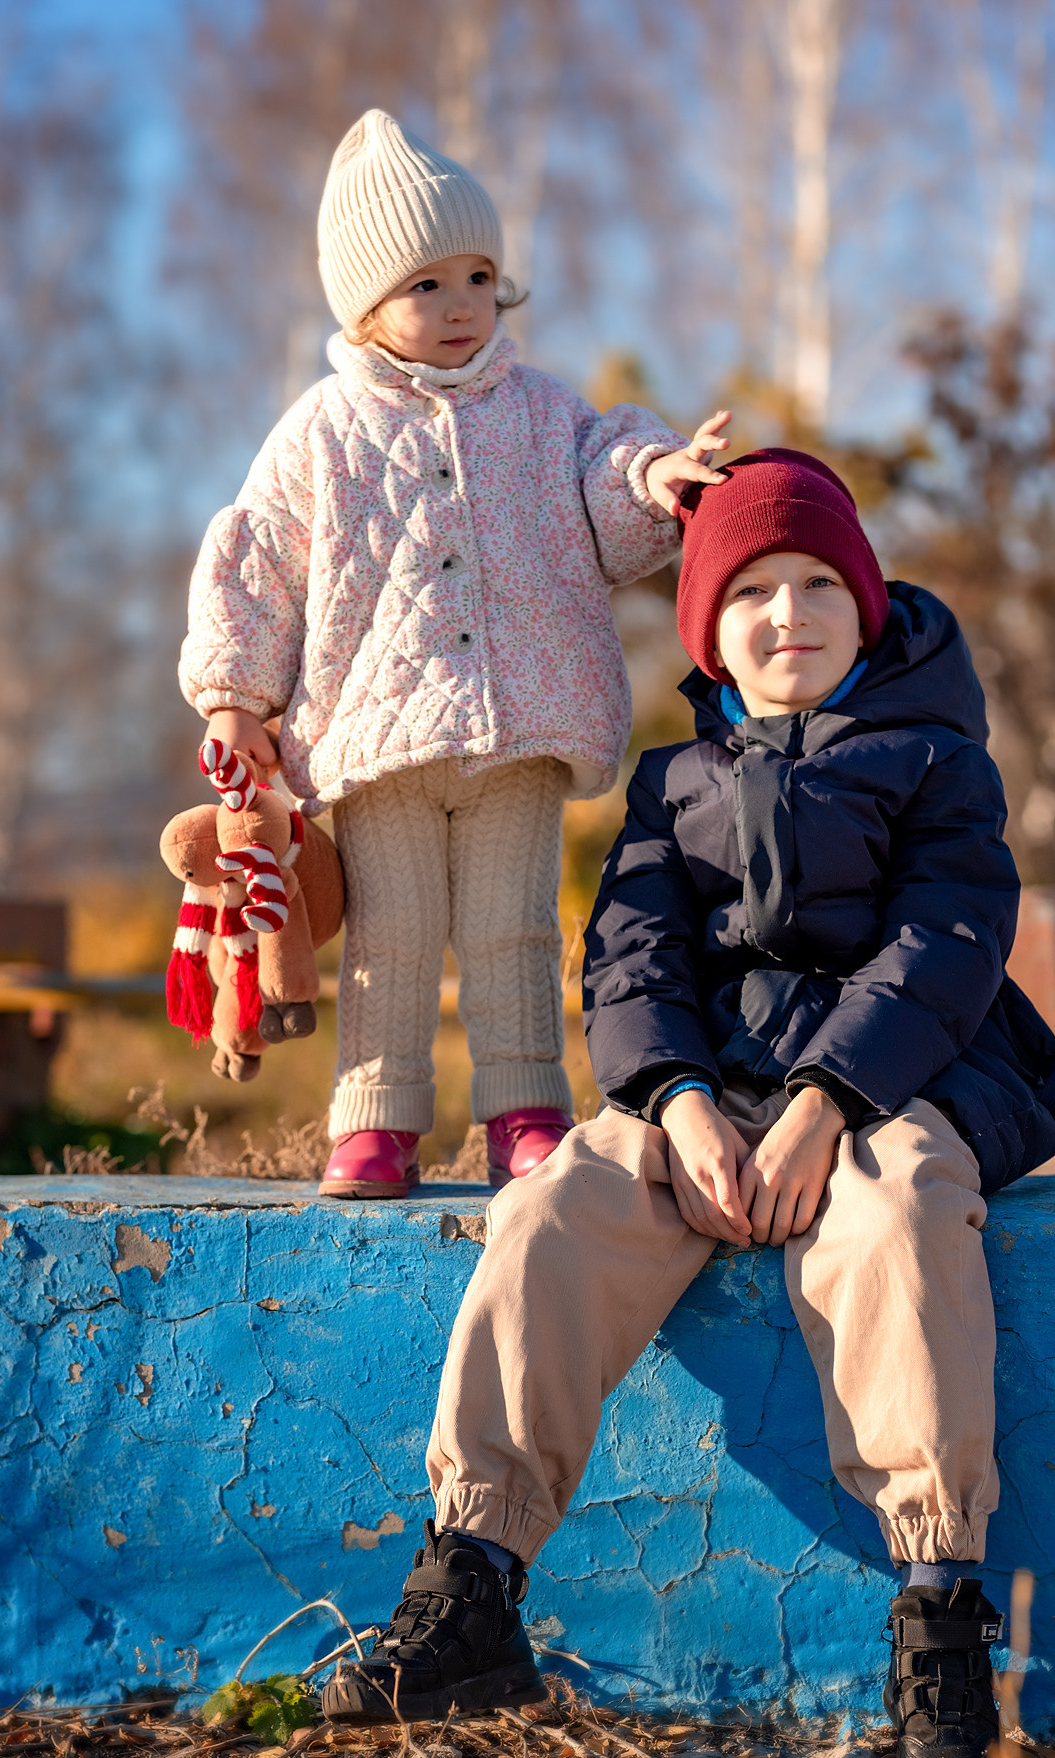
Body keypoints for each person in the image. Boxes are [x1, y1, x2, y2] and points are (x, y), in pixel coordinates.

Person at [319, 449, 1055, 1758]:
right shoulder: (675, 783)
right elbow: (631, 958)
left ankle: (943, 1609)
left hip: (897, 1082)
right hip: (708, 1086)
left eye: (817, 585)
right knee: (549, 1210)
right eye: (753, 593)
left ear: (867, 603)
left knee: (899, 1219)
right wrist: (670, 1100)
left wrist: (828, 1108)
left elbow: (947, 946)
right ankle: (477, 1580)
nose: (788, 613)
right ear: (709, 631)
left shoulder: (938, 761)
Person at [179, 109, 728, 1198]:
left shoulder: (539, 413)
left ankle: (525, 1108)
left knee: (511, 928)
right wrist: (236, 697)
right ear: (364, 302)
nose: (463, 303)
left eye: (479, 275)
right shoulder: (321, 431)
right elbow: (259, 562)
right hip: (380, 736)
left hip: (520, 725)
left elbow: (601, 471)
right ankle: (372, 1121)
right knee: (394, 933)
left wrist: (654, 479)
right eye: (427, 284)